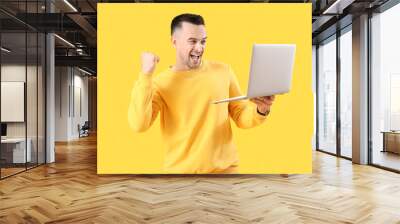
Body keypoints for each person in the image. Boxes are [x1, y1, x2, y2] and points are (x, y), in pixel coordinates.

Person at [128, 13, 275, 174]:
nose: (199, 48)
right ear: (174, 41)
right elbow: (139, 124)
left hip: (226, 172)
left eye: (203, 41)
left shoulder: (223, 71)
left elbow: (241, 116)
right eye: (192, 41)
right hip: (180, 177)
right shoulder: (160, 83)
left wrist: (261, 110)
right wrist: (145, 74)